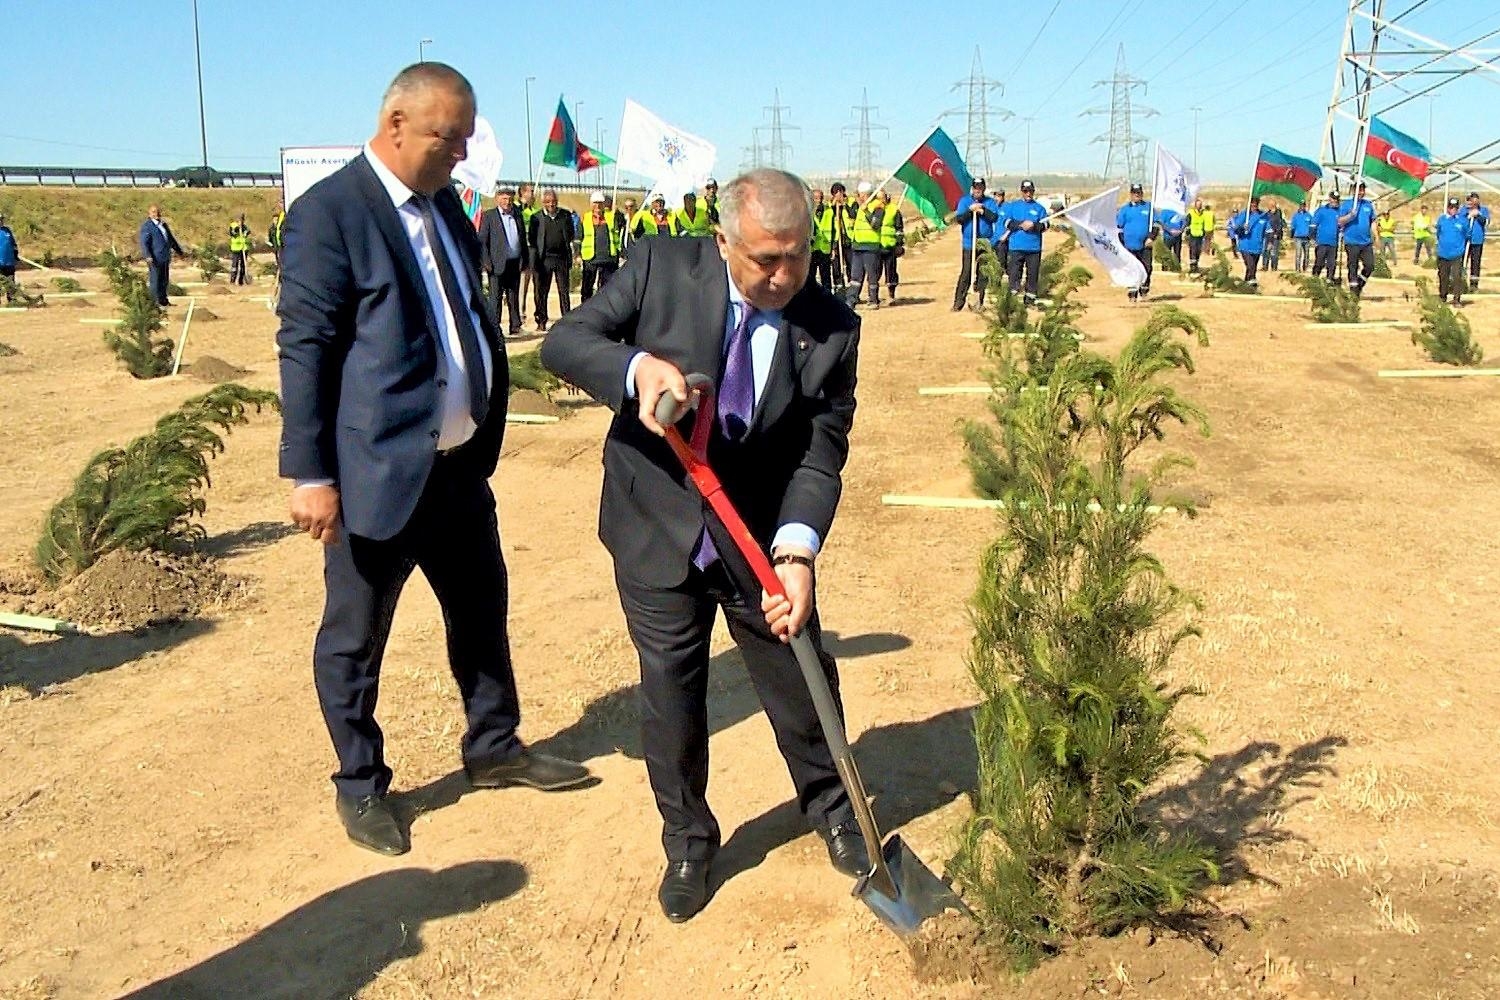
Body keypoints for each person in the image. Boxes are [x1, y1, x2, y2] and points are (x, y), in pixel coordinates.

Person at [275, 63, 589, 857]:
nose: (462, 153)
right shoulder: (329, 214)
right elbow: (305, 349)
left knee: (482, 610)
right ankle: (360, 783)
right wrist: (308, 473)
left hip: (454, 471)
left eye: (466, 136)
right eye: (449, 137)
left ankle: (494, 747)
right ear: (396, 125)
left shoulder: (445, 202)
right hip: (374, 475)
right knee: (355, 639)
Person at [540, 167, 867, 924]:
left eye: (797, 256)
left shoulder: (834, 327)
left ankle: (837, 812)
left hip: (758, 542)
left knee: (800, 675)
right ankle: (688, 840)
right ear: (723, 243)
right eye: (763, 260)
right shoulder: (660, 266)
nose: (783, 276)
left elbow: (820, 451)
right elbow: (566, 341)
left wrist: (796, 550)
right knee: (671, 692)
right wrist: (635, 368)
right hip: (656, 526)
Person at [478, 184, 529, 336]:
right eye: (504, 198)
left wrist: (524, 260)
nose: (507, 201)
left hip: (514, 263)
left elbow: (522, 238)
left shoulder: (517, 214)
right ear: (497, 199)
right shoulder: (489, 216)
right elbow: (482, 241)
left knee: (513, 297)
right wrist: (486, 262)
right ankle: (495, 329)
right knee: (496, 298)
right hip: (496, 264)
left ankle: (515, 327)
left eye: (510, 198)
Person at [528, 188, 574, 332]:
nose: (551, 204)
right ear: (543, 202)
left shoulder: (565, 216)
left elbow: (571, 234)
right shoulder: (536, 218)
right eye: (548, 202)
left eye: (553, 201)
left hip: (561, 258)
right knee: (541, 292)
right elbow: (532, 239)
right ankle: (541, 321)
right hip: (544, 260)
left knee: (564, 291)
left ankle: (566, 320)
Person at [948, 176, 998, 311]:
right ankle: (958, 303)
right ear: (972, 188)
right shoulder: (965, 201)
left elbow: (994, 218)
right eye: (976, 188)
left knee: (983, 274)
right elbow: (959, 219)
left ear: (984, 189)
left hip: (985, 243)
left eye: (980, 188)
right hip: (969, 244)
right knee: (966, 272)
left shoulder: (990, 202)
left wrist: (983, 211)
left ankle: (978, 303)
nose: (978, 190)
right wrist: (971, 211)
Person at [1004, 178, 1048, 306]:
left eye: (1030, 191)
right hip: (1016, 247)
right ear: (1021, 192)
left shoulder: (1039, 208)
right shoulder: (1013, 206)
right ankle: (1013, 298)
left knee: (1032, 275)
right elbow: (1006, 222)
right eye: (1025, 191)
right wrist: (1021, 224)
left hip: (1033, 248)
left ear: (1033, 192)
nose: (1028, 193)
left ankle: (1029, 300)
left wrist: (1033, 225)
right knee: (1014, 274)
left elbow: (1046, 225)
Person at [578, 190, 624, 300]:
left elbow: (622, 224)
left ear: (604, 204)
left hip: (609, 258)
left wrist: (617, 211)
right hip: (590, 258)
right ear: (591, 204)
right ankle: (586, 311)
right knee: (587, 289)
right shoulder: (585, 218)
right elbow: (580, 237)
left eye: (600, 203)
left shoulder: (611, 217)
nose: (597, 206)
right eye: (595, 203)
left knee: (607, 289)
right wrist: (578, 254)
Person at [138, 204, 186, 307]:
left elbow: (171, 239)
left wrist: (179, 252)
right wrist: (147, 255)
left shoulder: (163, 225)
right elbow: (144, 242)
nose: (157, 214)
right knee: (155, 279)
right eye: (154, 212)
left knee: (164, 280)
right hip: (154, 257)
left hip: (165, 256)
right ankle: (155, 302)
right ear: (149, 214)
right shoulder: (147, 226)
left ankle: (163, 300)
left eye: (158, 211)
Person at [846, 180, 884, 309]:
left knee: (872, 275)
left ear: (867, 194)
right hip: (857, 246)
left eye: (860, 194)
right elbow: (851, 218)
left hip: (871, 246)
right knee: (855, 276)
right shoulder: (859, 206)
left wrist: (866, 210)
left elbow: (876, 224)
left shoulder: (877, 206)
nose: (859, 196)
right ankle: (851, 300)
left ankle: (873, 299)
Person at [1115, 183, 1155, 300]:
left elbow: (1156, 224)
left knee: (1147, 267)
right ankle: (1132, 293)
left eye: (1139, 193)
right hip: (1129, 245)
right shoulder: (1125, 209)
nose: (1137, 195)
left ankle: (1144, 290)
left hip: (1145, 245)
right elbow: (1118, 226)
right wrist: (1122, 243)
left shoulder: (1148, 207)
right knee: (1131, 268)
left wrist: (1151, 237)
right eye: (1135, 193)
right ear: (1131, 194)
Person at [1338, 181, 1377, 297]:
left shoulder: (1368, 205)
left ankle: (1360, 283)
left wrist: (1376, 236)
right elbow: (1340, 221)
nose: (1361, 192)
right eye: (1359, 190)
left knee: (1370, 265)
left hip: (1366, 242)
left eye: (1363, 190)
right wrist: (1350, 216)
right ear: (1353, 191)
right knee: (1353, 266)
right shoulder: (1347, 205)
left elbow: (1373, 221)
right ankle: (1353, 291)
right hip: (1352, 241)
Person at [1434, 196, 1473, 306]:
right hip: (1443, 254)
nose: (1453, 210)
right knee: (1443, 277)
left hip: (1456, 254)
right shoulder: (1442, 219)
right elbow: (1438, 234)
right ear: (1447, 208)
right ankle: (1442, 297)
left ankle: (1456, 299)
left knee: (1456, 277)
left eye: (1455, 208)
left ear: (1458, 209)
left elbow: (1468, 234)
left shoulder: (1462, 221)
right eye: (1451, 208)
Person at [1228, 196, 1269, 286]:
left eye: (1256, 203)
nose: (1254, 205)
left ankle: (1246, 283)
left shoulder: (1263, 216)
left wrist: (1270, 242)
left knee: (1252, 267)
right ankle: (1252, 282)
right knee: (1251, 266)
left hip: (1257, 246)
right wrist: (1242, 227)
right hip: (1245, 245)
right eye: (1252, 203)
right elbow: (1236, 229)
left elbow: (1268, 230)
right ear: (1249, 203)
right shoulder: (1244, 215)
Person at [822, 182, 855, 295]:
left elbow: (853, 215)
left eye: (840, 191)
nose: (838, 194)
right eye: (835, 192)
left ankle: (852, 290)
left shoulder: (851, 203)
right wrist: (834, 206)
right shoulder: (829, 206)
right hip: (836, 241)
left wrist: (844, 205)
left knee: (851, 265)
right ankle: (839, 289)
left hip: (848, 239)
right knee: (836, 266)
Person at [517, 182, 539, 317]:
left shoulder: (536, 211)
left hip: (534, 249)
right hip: (521, 250)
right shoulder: (517, 210)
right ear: (522, 193)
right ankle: (520, 311)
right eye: (530, 191)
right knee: (522, 281)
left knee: (535, 282)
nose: (533, 194)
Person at [879, 190, 905, 302]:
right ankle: (874, 296)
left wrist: (899, 244)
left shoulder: (894, 210)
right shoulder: (873, 210)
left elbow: (899, 228)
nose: (880, 200)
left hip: (890, 246)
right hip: (876, 246)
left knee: (891, 271)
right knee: (875, 272)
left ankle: (891, 295)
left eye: (882, 198)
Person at [1311, 190, 1342, 282]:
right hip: (1322, 242)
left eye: (1336, 200)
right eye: (1333, 199)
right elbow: (1313, 224)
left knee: (1331, 263)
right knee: (1319, 262)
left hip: (1333, 243)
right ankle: (1315, 278)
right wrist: (1312, 237)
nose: (1335, 201)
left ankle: (1329, 279)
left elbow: (1342, 224)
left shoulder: (1340, 211)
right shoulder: (1321, 211)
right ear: (1330, 199)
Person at [810, 188, 833, 292]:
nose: (818, 201)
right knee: (810, 277)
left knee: (826, 276)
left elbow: (834, 230)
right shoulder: (807, 212)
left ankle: (827, 296)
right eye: (815, 198)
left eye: (820, 198)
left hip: (824, 248)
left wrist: (835, 246)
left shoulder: (829, 211)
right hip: (811, 249)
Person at [1466, 193, 1490, 291]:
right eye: (1472, 200)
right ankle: (1459, 282)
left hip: (1477, 241)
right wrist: (1469, 216)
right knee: (1461, 262)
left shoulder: (1483, 210)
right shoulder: (1464, 209)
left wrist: (1478, 215)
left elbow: (1486, 222)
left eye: (1476, 200)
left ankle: (1474, 284)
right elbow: (1460, 221)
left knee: (1475, 263)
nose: (1474, 202)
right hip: (1465, 240)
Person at [986, 187, 1010, 284]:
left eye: (999, 196)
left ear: (1003, 197)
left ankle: (1000, 283)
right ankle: (991, 282)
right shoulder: (992, 207)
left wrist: (1006, 235)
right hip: (991, 239)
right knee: (991, 262)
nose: (997, 198)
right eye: (995, 195)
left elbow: (1012, 223)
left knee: (1001, 262)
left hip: (1002, 240)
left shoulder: (1007, 208)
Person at [1186, 197, 1212, 273]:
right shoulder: (1191, 213)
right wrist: (1187, 232)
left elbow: (1205, 223)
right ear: (1195, 205)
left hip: (1200, 235)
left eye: (1200, 205)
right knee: (1193, 251)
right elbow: (1187, 222)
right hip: (1192, 234)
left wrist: (1205, 232)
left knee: (1198, 251)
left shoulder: (1203, 213)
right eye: (1197, 205)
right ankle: (1192, 267)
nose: (1199, 206)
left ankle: (1196, 265)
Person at [228, 213, 253, 285]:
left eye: (242, 220)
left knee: (243, 265)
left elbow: (248, 231)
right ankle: (232, 280)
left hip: (243, 248)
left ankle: (241, 281)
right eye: (239, 220)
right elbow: (233, 233)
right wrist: (238, 230)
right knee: (234, 265)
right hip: (236, 248)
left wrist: (245, 232)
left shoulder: (244, 227)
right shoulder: (233, 226)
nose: (240, 222)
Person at [1290, 200, 1314, 273]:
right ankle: (1297, 269)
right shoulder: (1295, 216)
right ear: (1299, 206)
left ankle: (1305, 268)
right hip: (1298, 237)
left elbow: (1312, 226)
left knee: (1306, 254)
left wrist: (1312, 236)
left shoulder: (1309, 215)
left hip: (1307, 238)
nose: (1302, 207)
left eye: (1304, 205)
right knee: (1298, 254)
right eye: (1301, 205)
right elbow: (1293, 226)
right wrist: (1292, 235)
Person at [1262, 204, 1286, 272]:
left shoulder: (1278, 214)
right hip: (1267, 235)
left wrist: (1276, 233)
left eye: (1272, 206)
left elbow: (1280, 224)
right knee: (1266, 251)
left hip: (1276, 236)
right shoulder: (1267, 214)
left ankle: (1274, 267)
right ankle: (1265, 266)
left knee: (1274, 252)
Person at [0, 214, 18, 303]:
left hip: (9, 262)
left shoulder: (7, 230)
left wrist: (16, 255)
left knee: (11, 282)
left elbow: (14, 244)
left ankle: (12, 299)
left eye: (1, 219)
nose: (1, 221)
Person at [268, 205, 286, 270]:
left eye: (276, 219)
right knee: (278, 261)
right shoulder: (271, 229)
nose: (275, 221)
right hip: (275, 246)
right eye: (274, 220)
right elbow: (270, 238)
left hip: (281, 246)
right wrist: (272, 245)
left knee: (282, 261)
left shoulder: (280, 227)